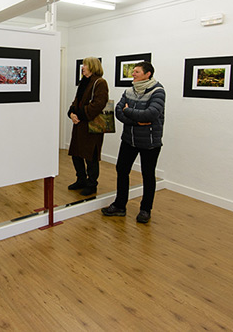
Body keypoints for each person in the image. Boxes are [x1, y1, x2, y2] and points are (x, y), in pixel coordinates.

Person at [102, 61, 165, 223]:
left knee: (148, 175)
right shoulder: (129, 90)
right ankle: (120, 205)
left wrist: (128, 111)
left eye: (136, 72)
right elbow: (118, 112)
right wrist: (136, 121)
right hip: (129, 140)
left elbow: (150, 115)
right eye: (133, 71)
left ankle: (145, 210)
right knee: (122, 170)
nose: (133, 74)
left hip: (150, 142)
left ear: (147, 74)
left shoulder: (158, 91)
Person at [67, 57, 109, 196]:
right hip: (79, 125)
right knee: (76, 154)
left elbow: (98, 104)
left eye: (85, 64)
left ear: (92, 66)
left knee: (90, 156)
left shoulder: (100, 82)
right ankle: (81, 179)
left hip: (91, 126)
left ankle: (92, 184)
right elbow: (76, 101)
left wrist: (78, 114)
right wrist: (71, 113)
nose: (82, 67)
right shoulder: (83, 82)